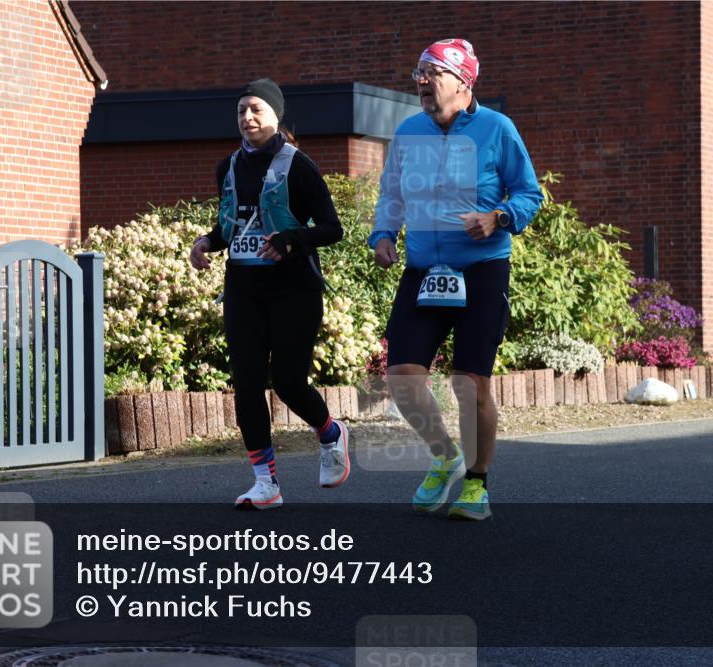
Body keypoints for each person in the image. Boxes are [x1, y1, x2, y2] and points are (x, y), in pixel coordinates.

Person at [369, 40, 542, 520]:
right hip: (425, 270)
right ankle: (445, 456)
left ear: (464, 83)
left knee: (471, 384)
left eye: (433, 73)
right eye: (419, 72)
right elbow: (392, 193)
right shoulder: (408, 133)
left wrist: (498, 217)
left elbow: (530, 193)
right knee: (402, 378)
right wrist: (383, 234)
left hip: (482, 269)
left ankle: (477, 483)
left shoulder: (496, 129)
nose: (421, 81)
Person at [190, 78, 350, 509]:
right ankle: (266, 483)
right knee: (246, 385)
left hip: (294, 289)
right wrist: (206, 242)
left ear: (275, 114)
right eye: (242, 110)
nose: (247, 118)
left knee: (288, 382)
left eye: (256, 109)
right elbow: (232, 226)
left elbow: (333, 229)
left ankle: (331, 433)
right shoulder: (228, 167)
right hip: (243, 289)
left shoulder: (298, 164)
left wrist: (291, 238)